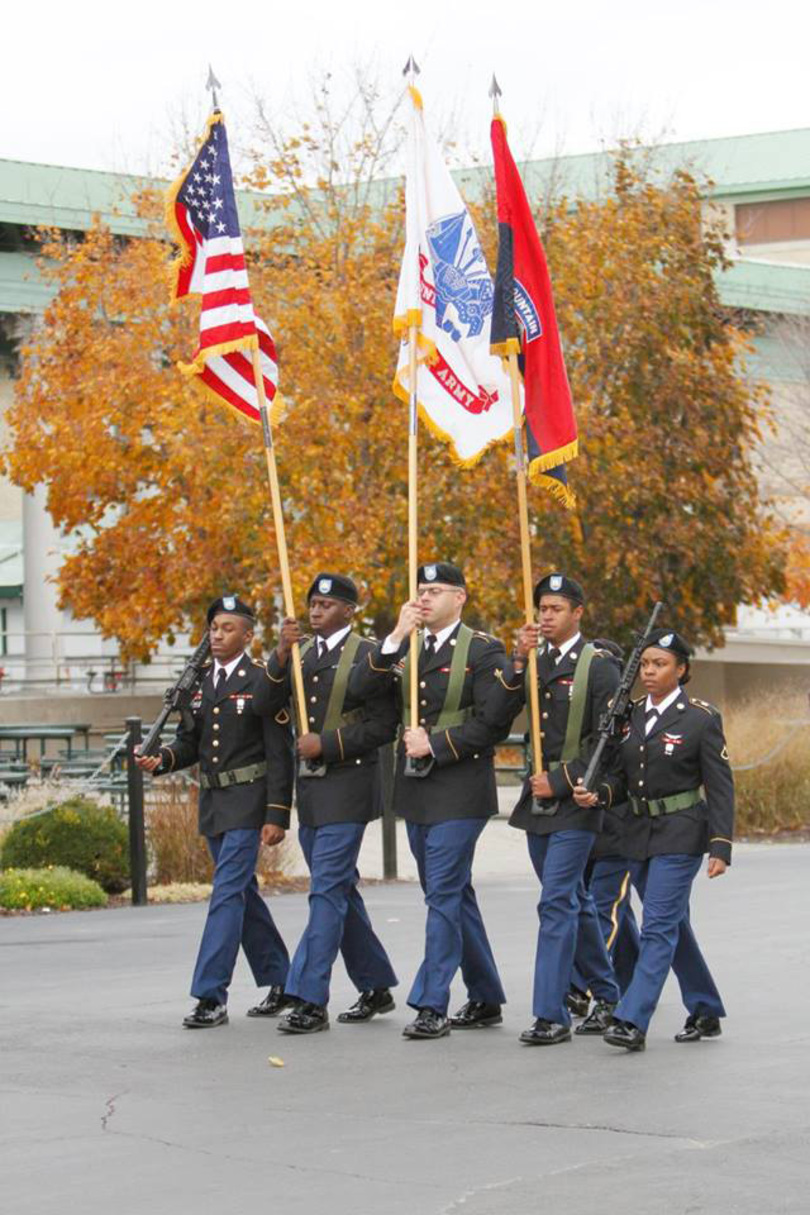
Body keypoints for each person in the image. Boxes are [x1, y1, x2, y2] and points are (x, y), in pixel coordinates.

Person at [349, 561, 508, 1040]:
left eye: (436, 591)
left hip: (460, 789)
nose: (425, 599)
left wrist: (436, 745)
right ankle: (485, 995)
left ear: (460, 597)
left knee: (442, 892)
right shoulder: (406, 647)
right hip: (416, 792)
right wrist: (396, 634)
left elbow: (493, 721)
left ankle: (431, 1002)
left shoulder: (483, 650)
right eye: (420, 591)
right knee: (451, 893)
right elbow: (360, 690)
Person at [136, 595, 294, 1028]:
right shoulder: (200, 682)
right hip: (214, 803)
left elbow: (281, 752)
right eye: (214, 628)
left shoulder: (264, 678)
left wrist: (277, 812)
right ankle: (283, 980)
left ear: (248, 635)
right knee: (241, 893)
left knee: (226, 893)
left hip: (248, 800)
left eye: (228, 628)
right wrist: (163, 758)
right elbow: (192, 742)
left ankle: (211, 994)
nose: (218, 635)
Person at [573, 628, 733, 1051]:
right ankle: (705, 1007)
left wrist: (720, 844)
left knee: (658, 926)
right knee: (673, 923)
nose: (649, 671)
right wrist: (599, 793)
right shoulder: (631, 715)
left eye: (659, 664)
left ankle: (632, 1018)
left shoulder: (700, 717)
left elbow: (720, 786)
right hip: (638, 833)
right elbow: (622, 781)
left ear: (681, 670)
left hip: (681, 831)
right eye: (645, 663)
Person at [259, 572, 399, 1035]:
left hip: (350, 785)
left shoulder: (368, 655)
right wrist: (279, 654)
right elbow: (263, 705)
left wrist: (329, 744)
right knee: (337, 889)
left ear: (349, 610)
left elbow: (383, 726)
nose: (316, 611)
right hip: (313, 793)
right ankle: (376, 983)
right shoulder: (298, 655)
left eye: (326, 604)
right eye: (312, 604)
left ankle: (308, 996)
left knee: (324, 892)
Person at [485, 573, 621, 1045]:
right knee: (574, 902)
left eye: (556, 608)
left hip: (576, 799)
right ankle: (607, 993)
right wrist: (517, 660)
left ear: (578, 612)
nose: (546, 616)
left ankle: (551, 1012)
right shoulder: (535, 662)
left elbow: (607, 743)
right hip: (538, 802)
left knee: (555, 901)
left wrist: (561, 780)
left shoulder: (599, 667)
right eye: (542, 608)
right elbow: (497, 716)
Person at [569, 638, 640, 1004]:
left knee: (604, 907)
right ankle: (633, 978)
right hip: (582, 825)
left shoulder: (633, 720)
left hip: (618, 827)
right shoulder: (575, 721)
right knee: (609, 912)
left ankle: (579, 983)